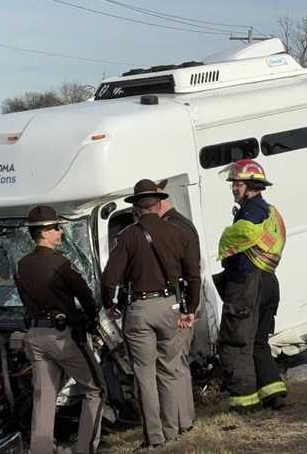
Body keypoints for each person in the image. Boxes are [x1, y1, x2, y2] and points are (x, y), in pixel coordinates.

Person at [101, 180, 201, 449]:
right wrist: (190, 309)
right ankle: (172, 432)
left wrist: (109, 304)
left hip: (140, 310)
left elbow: (109, 278)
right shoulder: (178, 232)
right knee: (169, 370)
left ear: (135, 208)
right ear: (158, 204)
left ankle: (154, 437)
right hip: (170, 307)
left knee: (145, 375)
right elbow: (193, 276)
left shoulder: (128, 237)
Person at [14, 206, 103, 454]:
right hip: (63, 337)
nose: (60, 231)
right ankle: (85, 449)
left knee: (44, 398)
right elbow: (85, 296)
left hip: (35, 336)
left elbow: (24, 299)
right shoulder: (61, 263)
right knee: (95, 390)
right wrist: (91, 318)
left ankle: (40, 451)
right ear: (44, 233)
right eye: (55, 227)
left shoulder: (21, 265)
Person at [216, 159, 288, 411]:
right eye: (234, 184)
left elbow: (244, 233)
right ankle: (273, 392)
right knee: (258, 340)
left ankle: (244, 402)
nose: (234, 188)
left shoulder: (251, 211)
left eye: (238, 184)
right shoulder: (268, 210)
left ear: (251, 186)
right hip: (268, 281)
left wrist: (225, 239)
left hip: (248, 284)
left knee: (237, 342)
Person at [155, 179, 202, 434]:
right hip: (188, 298)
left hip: (182, 300)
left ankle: (183, 420)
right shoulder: (182, 223)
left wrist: (187, 308)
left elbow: (185, 270)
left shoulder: (172, 227)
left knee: (175, 363)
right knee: (179, 362)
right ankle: (185, 418)